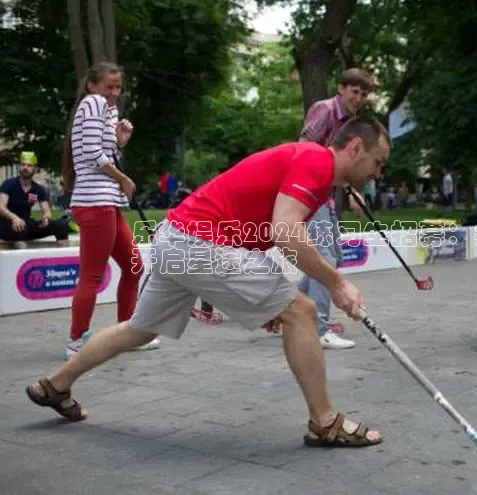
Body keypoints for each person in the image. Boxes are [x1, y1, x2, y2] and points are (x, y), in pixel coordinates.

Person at [24, 115, 390, 448]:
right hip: (197, 243)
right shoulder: (317, 161)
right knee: (302, 311)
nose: (378, 173)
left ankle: (55, 385)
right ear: (355, 148)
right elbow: (286, 230)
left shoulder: (311, 163)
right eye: (377, 162)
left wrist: (253, 298)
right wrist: (338, 283)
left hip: (176, 239)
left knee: (140, 330)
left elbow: (264, 227)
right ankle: (325, 421)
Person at [62, 61, 160, 359]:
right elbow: (92, 156)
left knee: (133, 267)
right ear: (92, 85)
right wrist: (124, 179)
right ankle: (76, 340)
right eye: (109, 87)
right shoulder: (92, 103)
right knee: (92, 275)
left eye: (118, 87)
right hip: (94, 203)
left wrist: (120, 142)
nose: (115, 93)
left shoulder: (108, 111)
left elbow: (105, 154)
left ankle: (127, 333)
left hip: (108, 203)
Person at [280, 68, 373, 350]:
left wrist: (355, 190)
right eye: (354, 91)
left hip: (326, 194)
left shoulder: (351, 123)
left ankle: (286, 311)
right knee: (326, 259)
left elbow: (346, 163)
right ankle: (319, 328)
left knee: (333, 256)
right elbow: (304, 149)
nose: (358, 98)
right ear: (342, 88)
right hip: (309, 192)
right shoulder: (324, 110)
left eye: (363, 94)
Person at [0, 151, 72, 248]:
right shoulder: (8, 184)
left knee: (61, 226)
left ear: (35, 169)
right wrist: (14, 218)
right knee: (19, 230)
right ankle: (23, 258)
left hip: (27, 223)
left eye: (29, 165)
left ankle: (65, 259)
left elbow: (47, 211)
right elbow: (1, 207)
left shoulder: (38, 189)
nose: (25, 168)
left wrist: (46, 218)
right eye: (23, 165)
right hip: (7, 224)